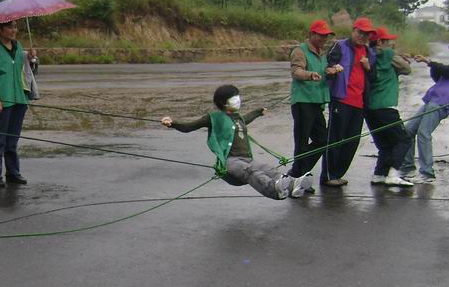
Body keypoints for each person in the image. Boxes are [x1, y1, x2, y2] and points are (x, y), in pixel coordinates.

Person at [161, 85, 310, 199]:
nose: (238, 99)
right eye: (233, 97)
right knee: (250, 171)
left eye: (237, 96)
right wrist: (172, 123)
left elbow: (247, 118)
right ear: (223, 102)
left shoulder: (238, 118)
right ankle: (274, 189)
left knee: (268, 169)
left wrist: (258, 112)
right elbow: (189, 126)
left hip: (247, 158)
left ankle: (293, 185)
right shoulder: (214, 117)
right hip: (230, 161)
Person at [399, 40, 449, 184]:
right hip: (432, 101)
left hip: (441, 103)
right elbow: (439, 76)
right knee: (408, 130)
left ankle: (426, 173)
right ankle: (408, 168)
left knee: (423, 133)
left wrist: (428, 61)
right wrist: (432, 66)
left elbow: (445, 70)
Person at [321, 17, 377, 187]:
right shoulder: (340, 46)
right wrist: (334, 68)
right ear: (353, 31)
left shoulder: (369, 53)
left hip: (359, 103)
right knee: (335, 138)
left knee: (352, 141)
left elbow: (373, 77)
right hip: (341, 99)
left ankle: (338, 173)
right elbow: (328, 64)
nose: (362, 36)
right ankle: (328, 175)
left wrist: (368, 67)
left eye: (366, 34)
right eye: (360, 32)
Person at [0, 20, 32, 187]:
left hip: (19, 99)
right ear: (0, 29)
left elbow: (25, 70)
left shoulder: (18, 47)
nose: (13, 30)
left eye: (15, 27)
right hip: (1, 100)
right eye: (10, 27)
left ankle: (13, 172)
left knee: (12, 140)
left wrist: (31, 58)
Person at [365, 27, 414, 187]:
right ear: (380, 42)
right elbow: (407, 69)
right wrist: (398, 59)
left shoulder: (367, 54)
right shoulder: (388, 54)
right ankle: (393, 174)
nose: (389, 44)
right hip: (386, 106)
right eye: (387, 41)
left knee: (385, 144)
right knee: (403, 140)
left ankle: (379, 174)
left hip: (370, 107)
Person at [287, 19, 332, 192]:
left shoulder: (323, 53)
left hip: (317, 102)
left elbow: (323, 71)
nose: (324, 39)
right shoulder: (300, 50)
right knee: (302, 142)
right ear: (311, 34)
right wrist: (309, 75)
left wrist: (331, 71)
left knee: (323, 140)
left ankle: (296, 173)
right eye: (320, 35)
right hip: (303, 101)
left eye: (326, 36)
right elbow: (296, 71)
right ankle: (298, 179)